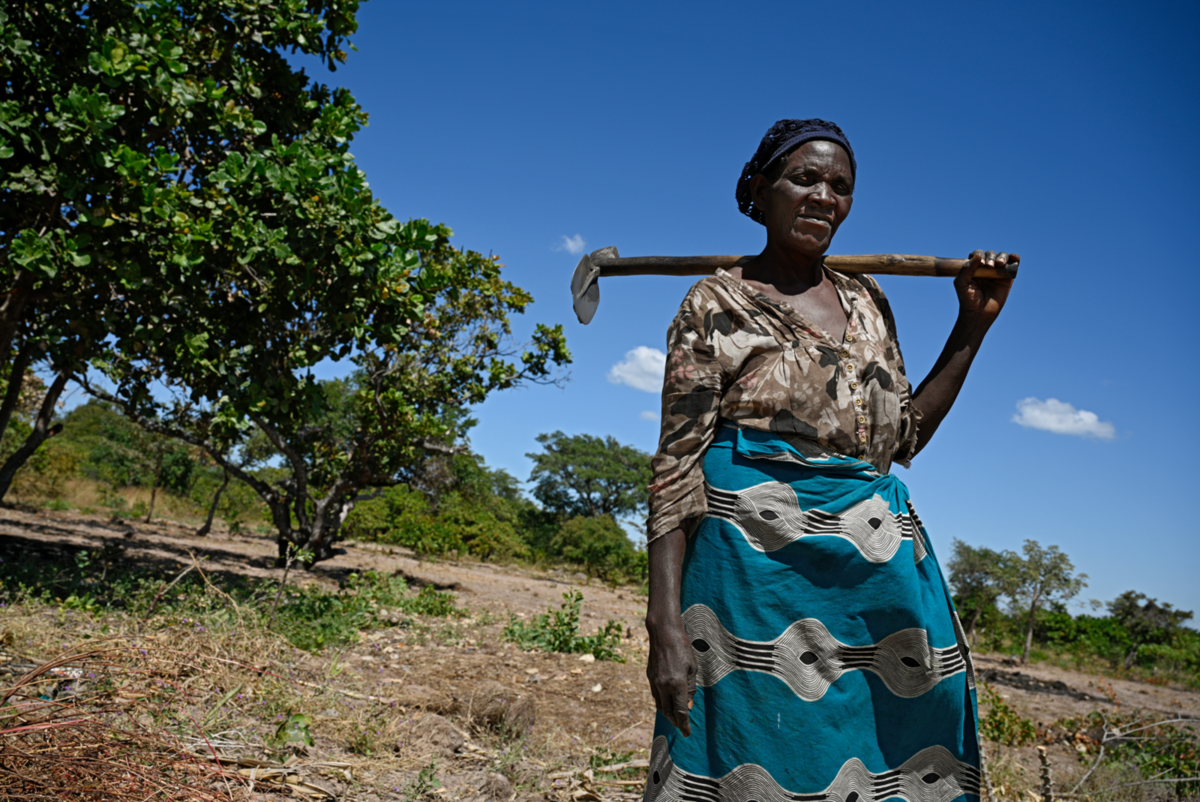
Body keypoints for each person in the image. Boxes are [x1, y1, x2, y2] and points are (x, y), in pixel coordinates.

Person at [642, 119, 1014, 802]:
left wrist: (972, 326)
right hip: (750, 580)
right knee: (746, 754)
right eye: (803, 178)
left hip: (868, 578)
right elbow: (675, 466)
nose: (823, 196)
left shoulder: (868, 301)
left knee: (883, 754)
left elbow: (903, 440)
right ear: (761, 188)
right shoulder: (716, 303)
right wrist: (662, 624)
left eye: (840, 186)